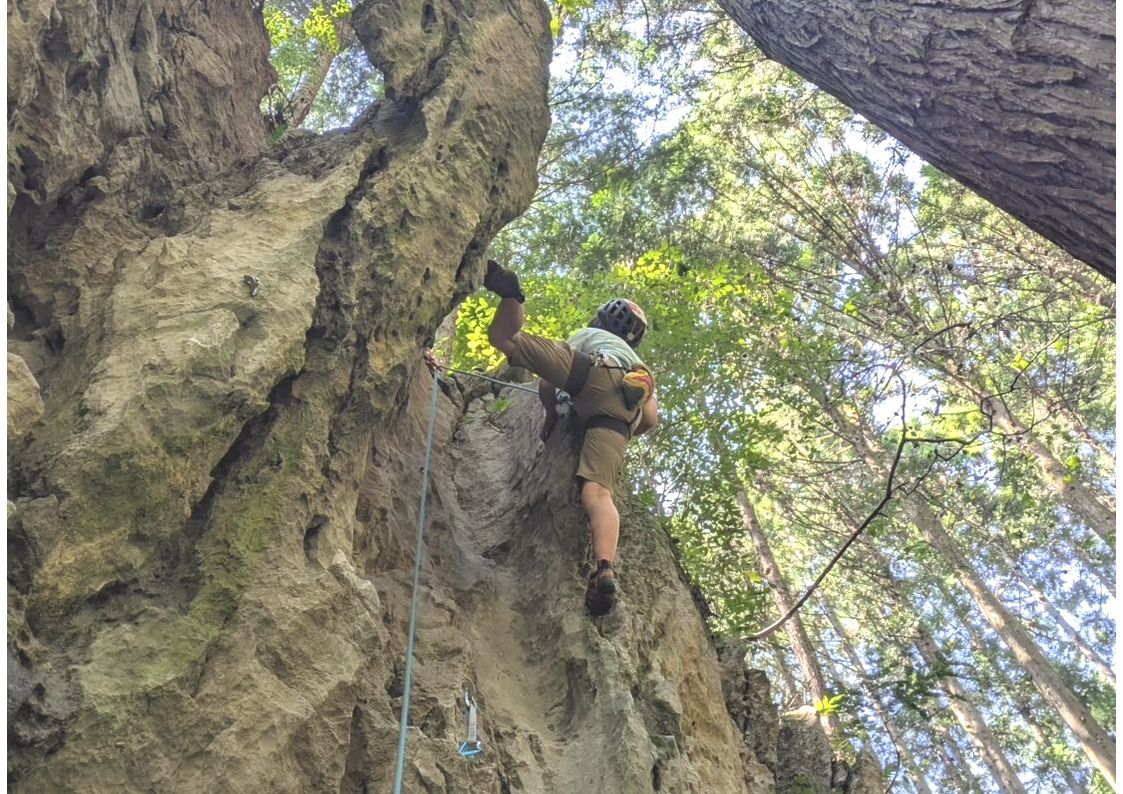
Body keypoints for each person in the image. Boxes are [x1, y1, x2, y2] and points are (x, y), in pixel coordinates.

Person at [482, 260, 658, 615]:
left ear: (602, 319)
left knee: (505, 339)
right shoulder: (637, 358)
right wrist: (622, 429)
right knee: (598, 493)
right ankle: (604, 567)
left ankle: (513, 296)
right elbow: (651, 419)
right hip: (623, 404)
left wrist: (551, 413)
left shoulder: (590, 334)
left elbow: (548, 384)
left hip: (590, 366)